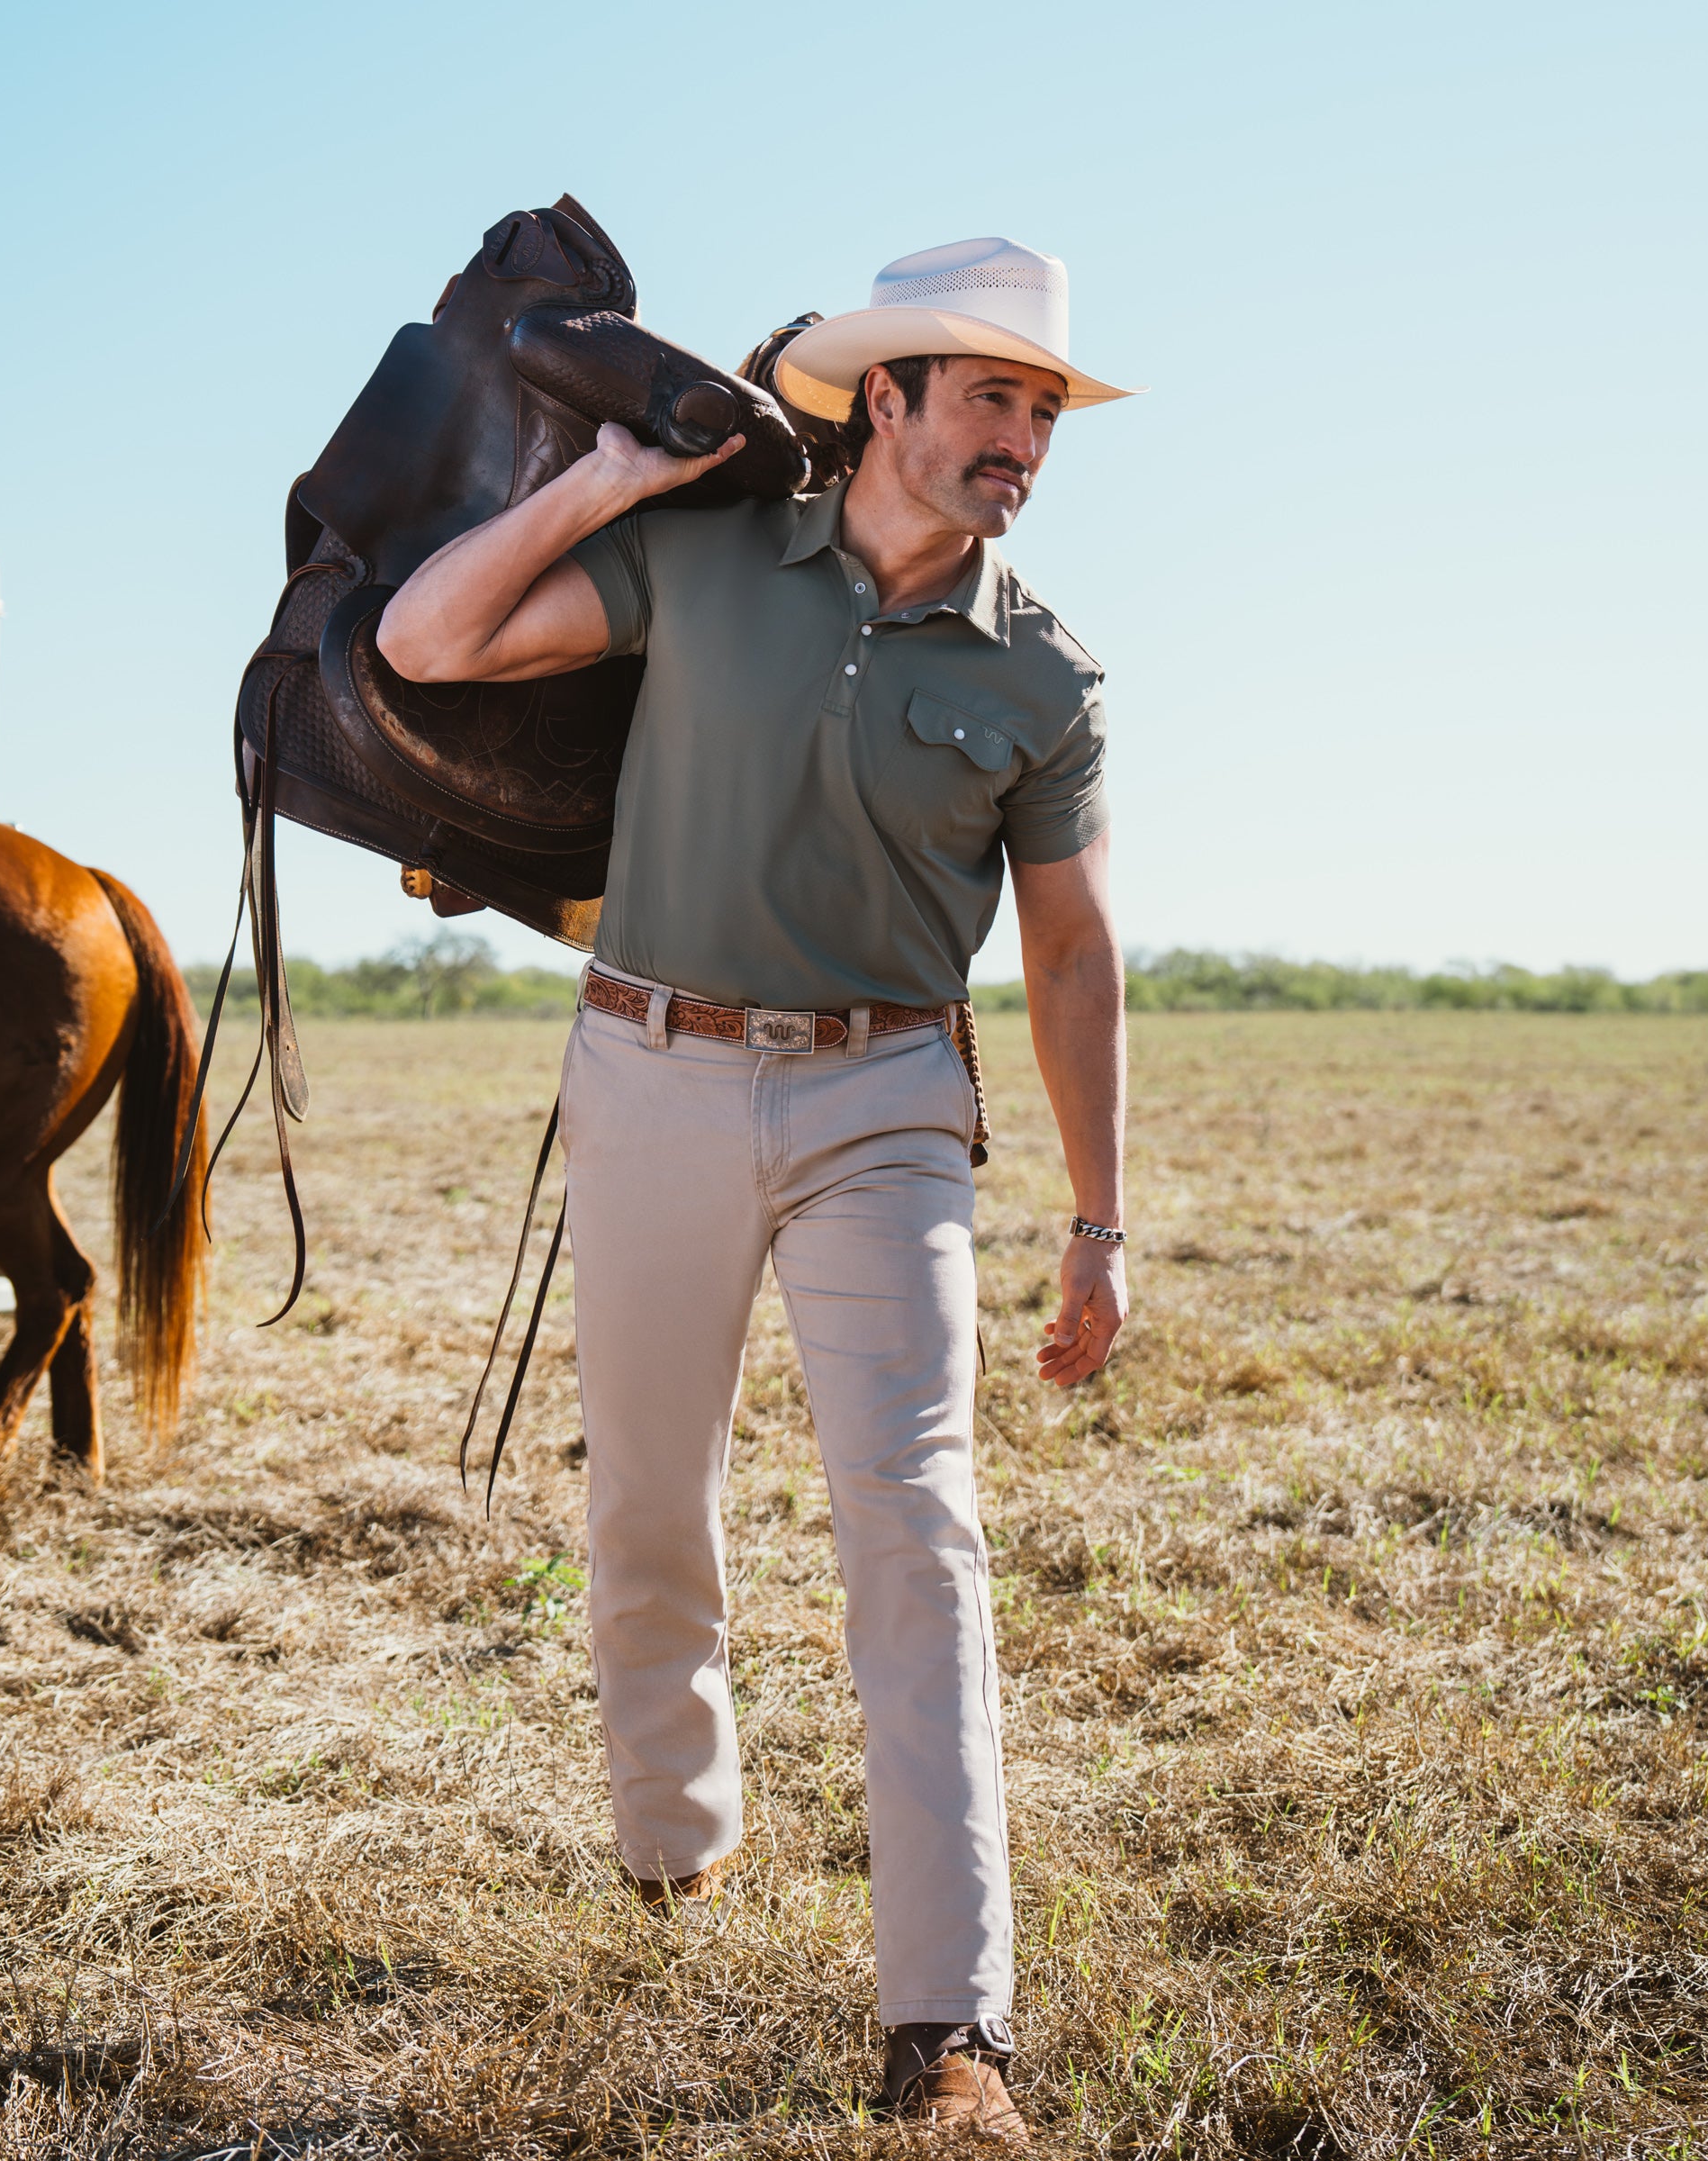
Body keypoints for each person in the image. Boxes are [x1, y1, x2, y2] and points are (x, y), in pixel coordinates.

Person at [377, 237, 1139, 2139]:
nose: (1023, 439)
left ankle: (949, 2028)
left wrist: (1100, 1219)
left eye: (1044, 411)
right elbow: (425, 643)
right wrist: (611, 479)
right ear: (884, 398)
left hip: (890, 1097)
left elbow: (1071, 954)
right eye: (991, 398)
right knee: (648, 1496)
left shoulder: (1046, 675)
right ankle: (673, 1840)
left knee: (920, 1526)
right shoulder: (702, 558)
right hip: (649, 1068)